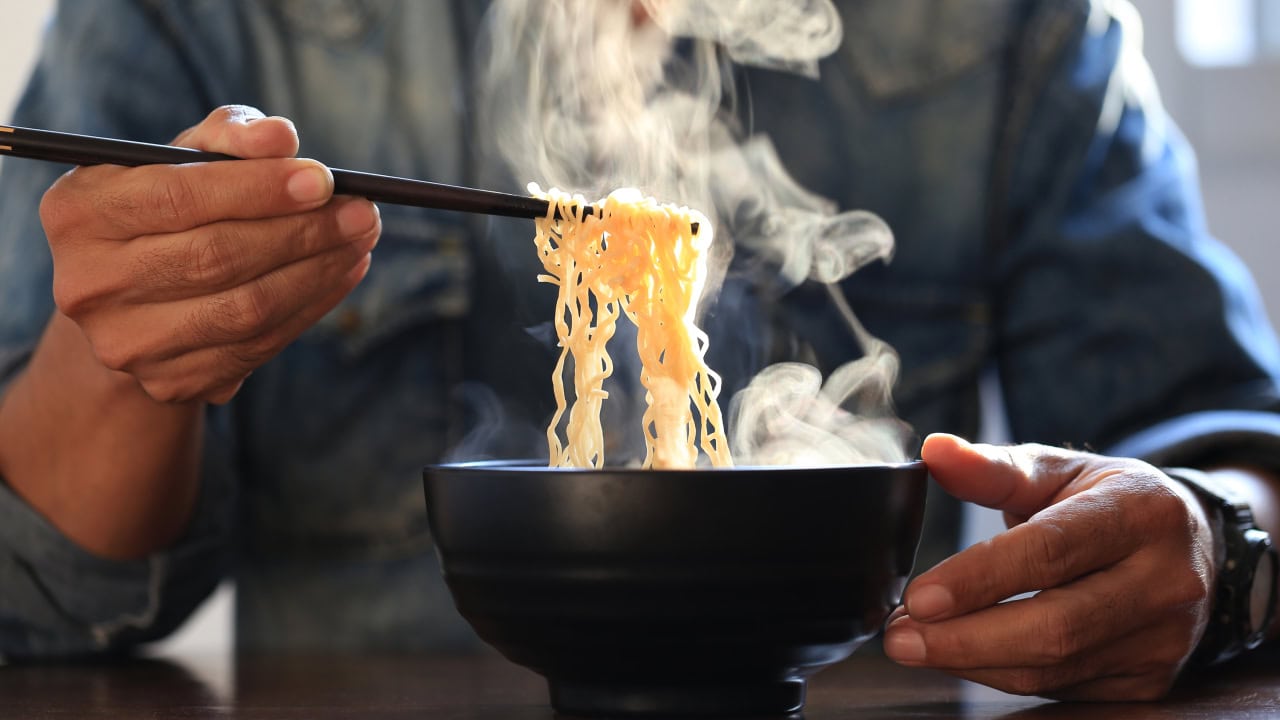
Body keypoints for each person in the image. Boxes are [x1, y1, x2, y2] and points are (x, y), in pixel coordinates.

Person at [1, 0, 1277, 702]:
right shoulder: (190, 13)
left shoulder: (1020, 27)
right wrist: (122, 355)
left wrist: (1217, 547)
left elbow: (1213, 430)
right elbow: (36, 602)